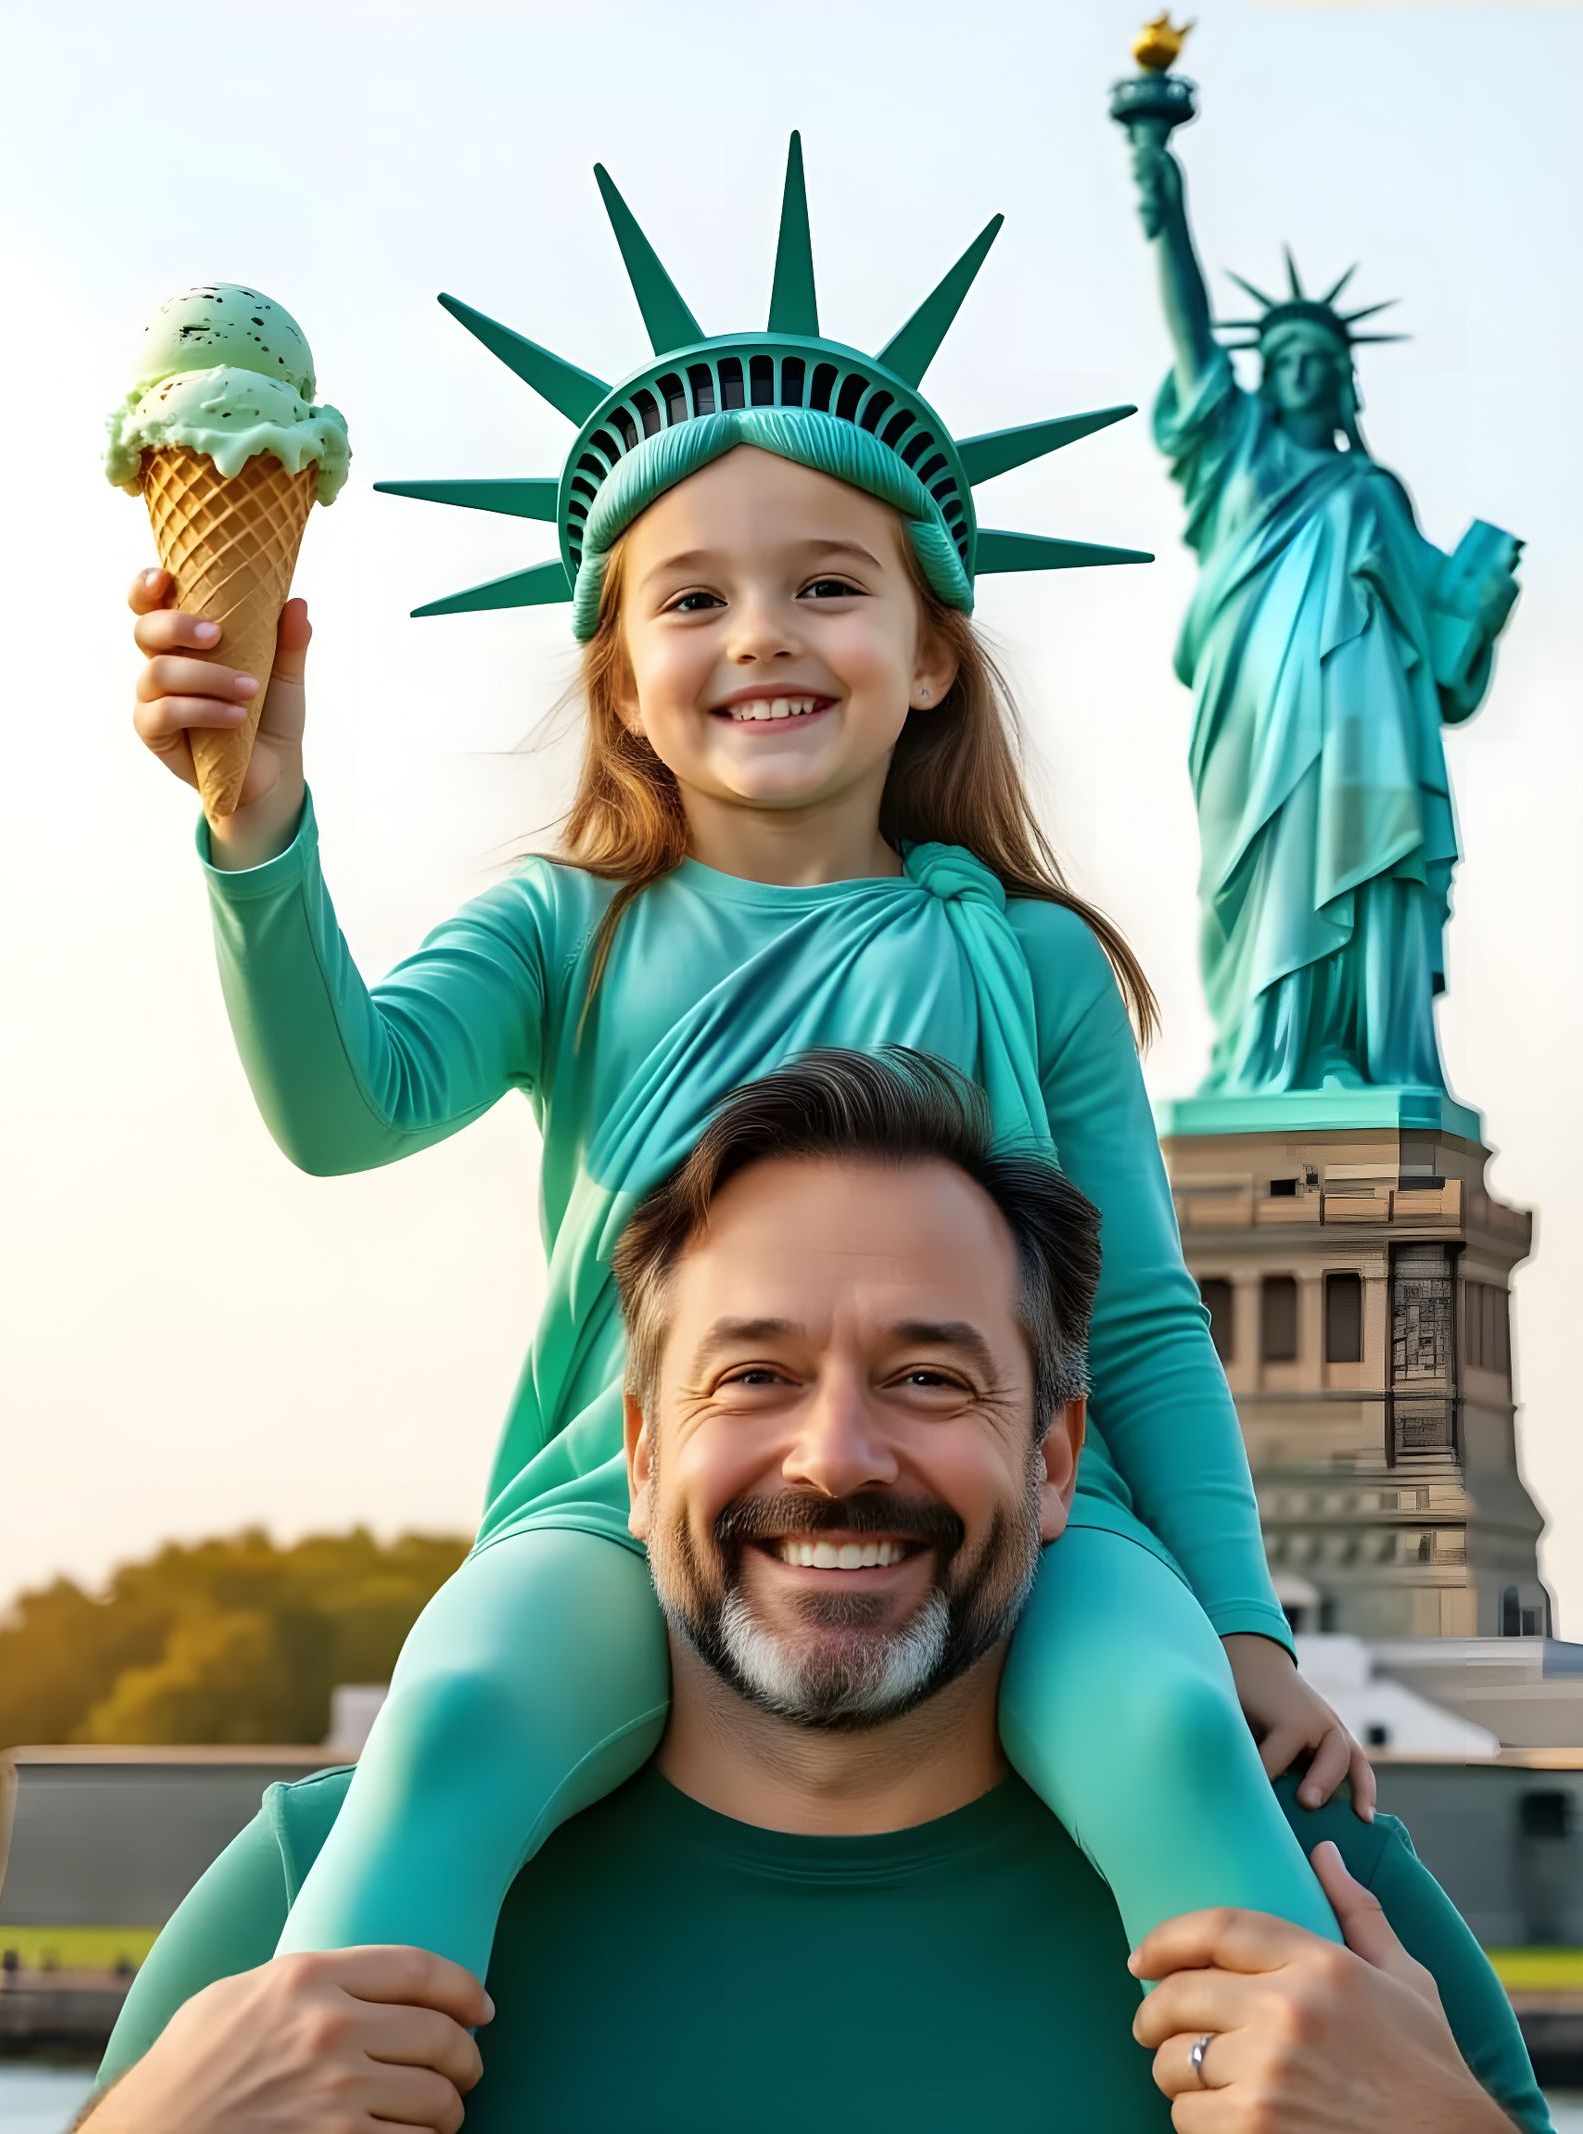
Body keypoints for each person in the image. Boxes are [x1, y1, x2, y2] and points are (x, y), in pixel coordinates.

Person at [125, 136, 1373, 1986]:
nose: (762, 634)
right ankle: (311, 2070)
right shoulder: (569, 927)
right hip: (623, 1502)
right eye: (691, 598)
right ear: (621, 677)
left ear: (932, 653)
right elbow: (339, 1103)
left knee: (1183, 1741)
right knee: (459, 1712)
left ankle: (1327, 2079)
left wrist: (1248, 1629)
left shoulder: (1024, 951)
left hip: (1032, 1501)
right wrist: (257, 820)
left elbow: (1146, 1321)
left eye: (829, 587)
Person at [84, 1052, 1548, 2132]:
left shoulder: (1332, 1910)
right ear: (642, 1455)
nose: (837, 1456)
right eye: (756, 1375)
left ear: (1054, 1462)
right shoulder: (312, 1892)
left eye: (925, 1376)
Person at [1127, 124, 1522, 1097]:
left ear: (1344, 378)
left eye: (1318, 354)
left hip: (1368, 713)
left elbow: (1442, 641)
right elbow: (1188, 329)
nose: (1301, 365)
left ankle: (1355, 1051)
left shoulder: (1372, 491)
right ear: (1261, 372)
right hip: (1257, 702)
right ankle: (1269, 1053)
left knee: (1367, 855)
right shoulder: (1236, 450)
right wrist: (1160, 190)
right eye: (1283, 352)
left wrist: (1481, 591)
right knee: (1264, 862)